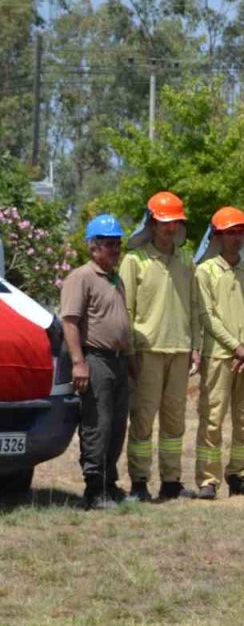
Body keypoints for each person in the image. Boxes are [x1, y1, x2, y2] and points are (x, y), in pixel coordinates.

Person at [120, 191, 200, 502]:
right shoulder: (134, 260)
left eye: (175, 222)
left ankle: (171, 482)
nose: (170, 228)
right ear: (151, 224)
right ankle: (139, 482)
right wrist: (129, 350)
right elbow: (126, 309)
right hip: (146, 351)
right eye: (164, 222)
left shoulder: (186, 260)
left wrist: (195, 346)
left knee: (174, 421)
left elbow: (194, 306)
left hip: (179, 349)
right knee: (142, 418)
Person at [192, 207, 244, 499]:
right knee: (212, 418)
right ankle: (208, 480)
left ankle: (240, 476)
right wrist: (235, 347)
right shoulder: (205, 271)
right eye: (230, 233)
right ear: (217, 236)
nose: (236, 238)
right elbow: (207, 316)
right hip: (219, 357)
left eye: (240, 232)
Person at [61, 214, 132, 510]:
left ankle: (109, 483)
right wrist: (79, 362)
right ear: (93, 247)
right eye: (109, 244)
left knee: (117, 426)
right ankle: (94, 489)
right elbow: (70, 321)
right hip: (96, 359)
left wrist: (130, 359)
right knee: (97, 424)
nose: (116, 249)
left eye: (118, 243)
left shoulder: (115, 279)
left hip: (118, 361)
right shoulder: (81, 277)